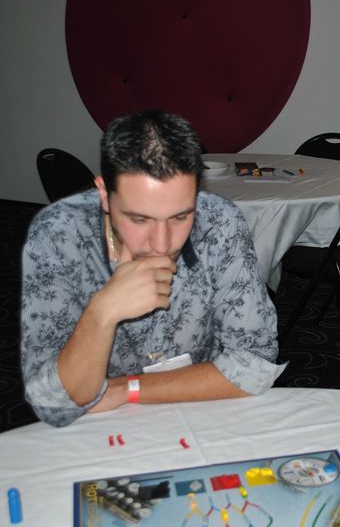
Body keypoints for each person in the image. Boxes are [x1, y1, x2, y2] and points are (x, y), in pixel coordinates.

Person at [21, 110, 285, 427]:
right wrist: (102, 313)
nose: (162, 244)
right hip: (97, 428)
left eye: (180, 217)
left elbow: (254, 364)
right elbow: (53, 402)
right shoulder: (59, 235)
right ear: (104, 194)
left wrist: (127, 389)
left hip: (197, 412)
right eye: (139, 219)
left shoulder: (219, 223)